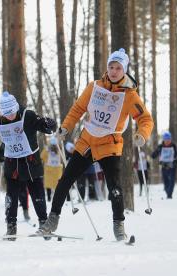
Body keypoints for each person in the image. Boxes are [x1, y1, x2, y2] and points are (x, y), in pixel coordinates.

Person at [36, 48, 154, 241]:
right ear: (107, 68)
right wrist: (65, 128)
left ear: (124, 70)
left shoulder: (130, 95)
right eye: (111, 67)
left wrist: (142, 134)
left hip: (110, 144)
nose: (114, 71)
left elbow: (145, 118)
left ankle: (119, 226)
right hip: (87, 141)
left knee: (114, 187)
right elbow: (77, 109)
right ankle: (52, 220)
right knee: (65, 180)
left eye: (118, 68)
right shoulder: (94, 87)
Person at [0, 91, 57, 238]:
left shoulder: (27, 115)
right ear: (1, 112)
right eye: (7, 113)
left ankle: (44, 224)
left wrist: (50, 125)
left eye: (12, 112)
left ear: (16, 108)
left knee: (37, 194)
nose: (10, 116)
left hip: (31, 161)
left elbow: (43, 126)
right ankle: (11, 227)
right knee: (11, 196)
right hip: (12, 163)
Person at [0, 143, 31, 220]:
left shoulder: (22, 139)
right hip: (10, 170)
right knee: (11, 194)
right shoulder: (6, 141)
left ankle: (25, 211)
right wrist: (1, 159)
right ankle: (9, 215)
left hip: (22, 169)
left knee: (23, 192)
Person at [151, 131, 177, 199]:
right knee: (165, 180)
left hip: (172, 165)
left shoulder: (174, 146)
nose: (167, 141)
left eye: (168, 140)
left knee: (172, 180)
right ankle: (167, 192)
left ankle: (169, 195)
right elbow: (154, 154)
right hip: (164, 165)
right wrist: (153, 155)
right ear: (163, 140)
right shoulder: (160, 146)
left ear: (170, 139)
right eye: (166, 140)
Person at [40, 136, 63, 202]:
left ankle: (54, 197)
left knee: (55, 185)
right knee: (49, 185)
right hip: (50, 170)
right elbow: (42, 157)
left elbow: (62, 158)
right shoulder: (48, 150)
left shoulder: (59, 150)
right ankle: (50, 198)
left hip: (55, 170)